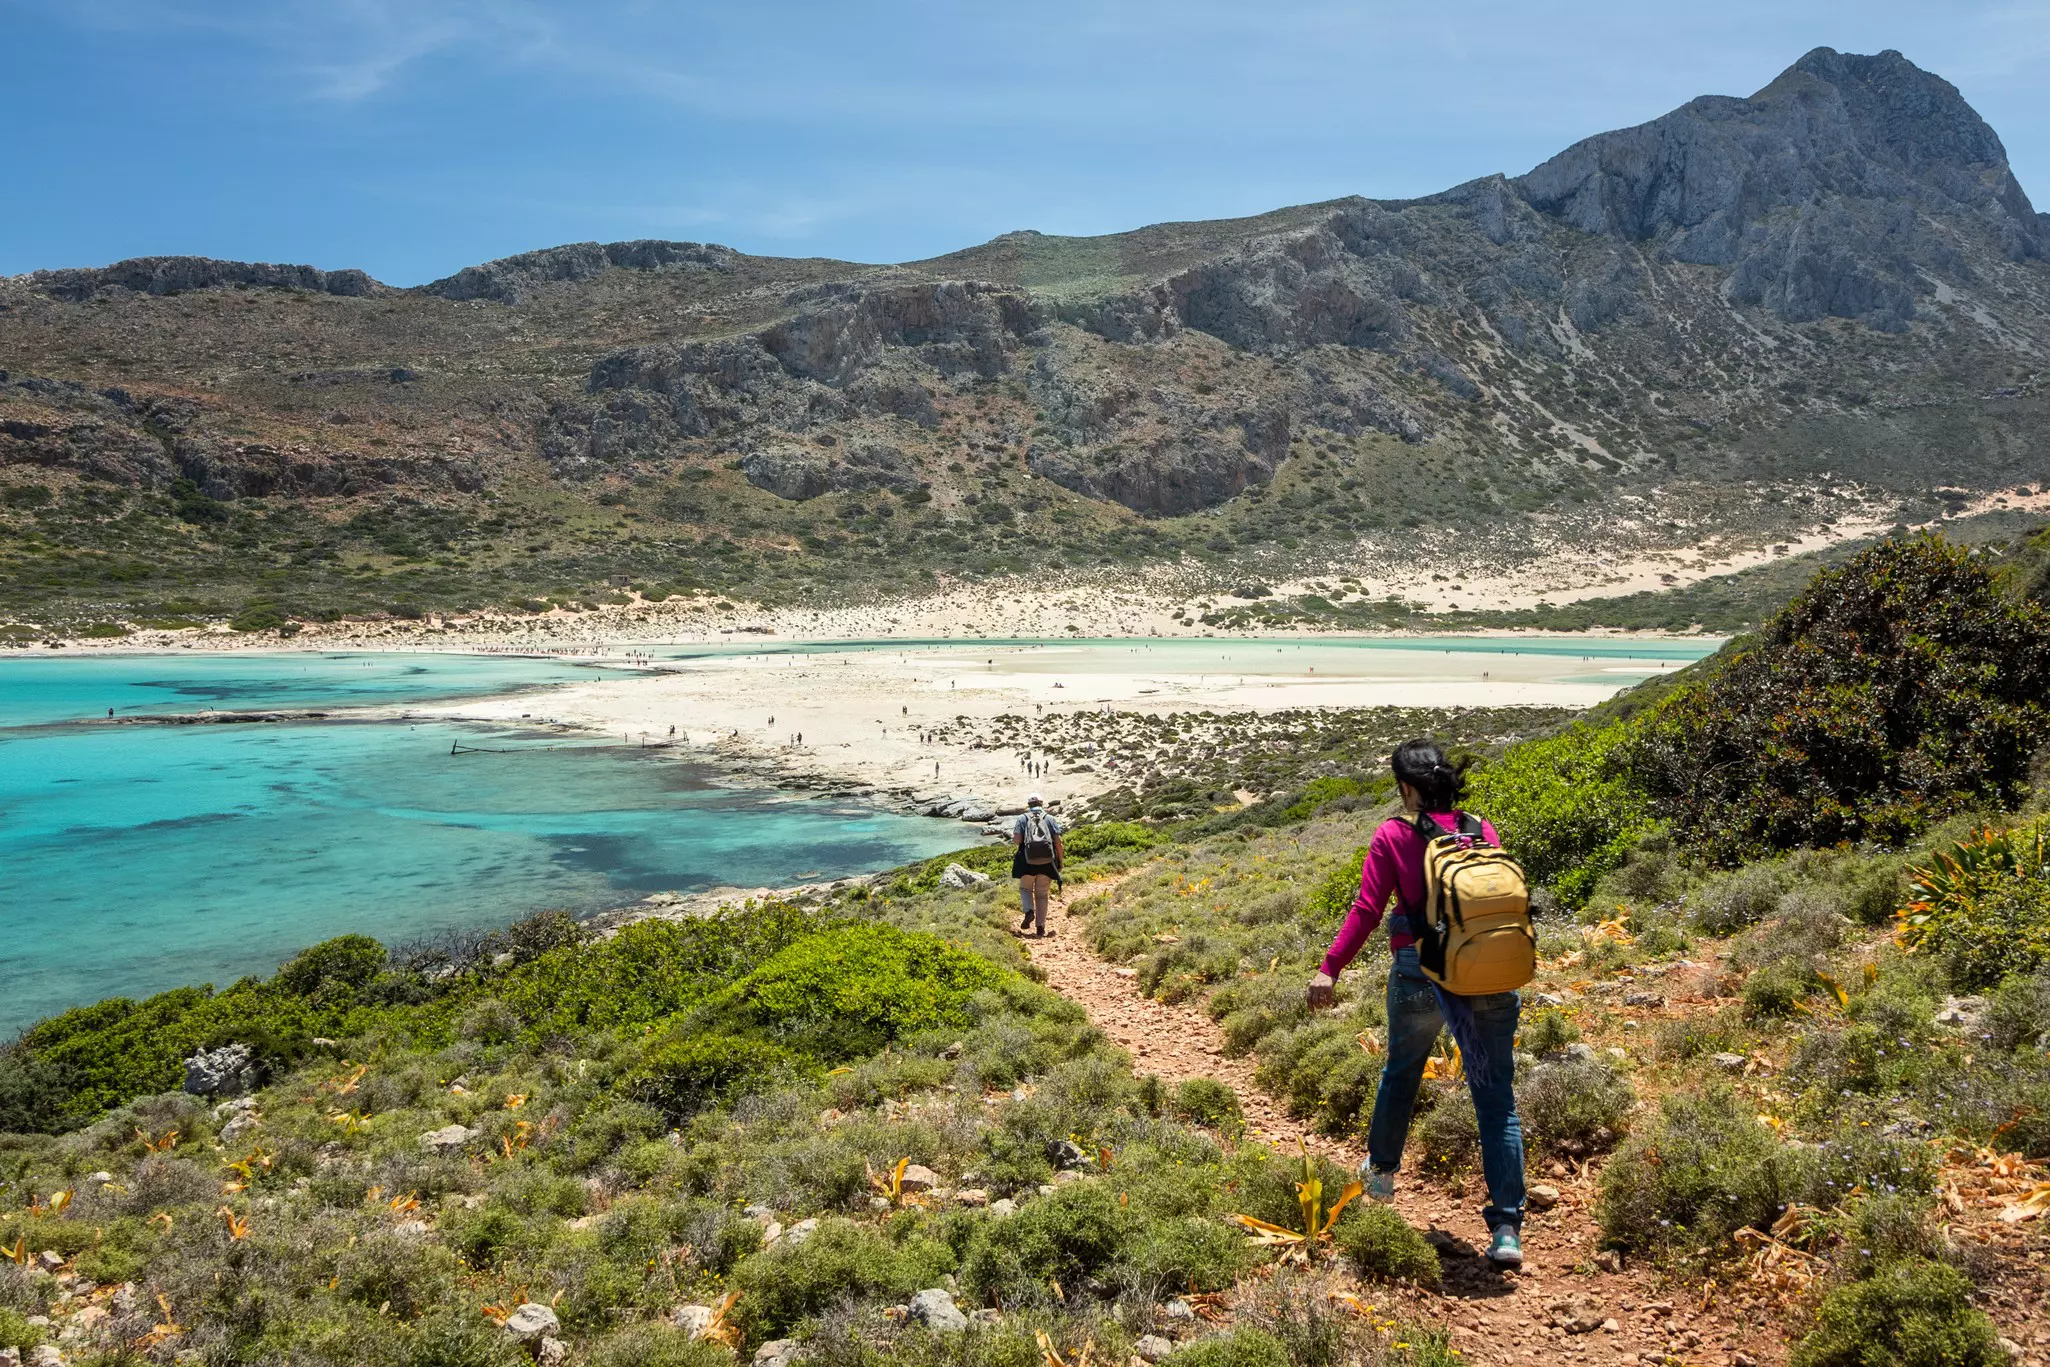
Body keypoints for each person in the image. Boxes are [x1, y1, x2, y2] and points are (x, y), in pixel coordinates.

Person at [1306, 739, 1528, 1268]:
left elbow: (1366, 908)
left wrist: (1329, 967)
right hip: (1491, 975)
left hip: (1420, 973)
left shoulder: (1394, 833)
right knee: (1496, 1098)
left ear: (1406, 787)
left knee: (1401, 1073)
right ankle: (1506, 1230)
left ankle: (1380, 1179)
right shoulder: (1480, 829)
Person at [1011, 794, 1064, 937]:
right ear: (1041, 803)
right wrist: (1060, 861)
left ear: (1029, 805)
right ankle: (1040, 927)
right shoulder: (1050, 818)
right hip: (1047, 862)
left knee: (1025, 889)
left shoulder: (1022, 818)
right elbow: (1058, 842)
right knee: (1042, 895)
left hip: (1027, 862)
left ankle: (1029, 911)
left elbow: (1017, 840)